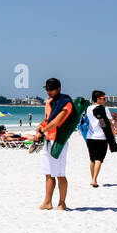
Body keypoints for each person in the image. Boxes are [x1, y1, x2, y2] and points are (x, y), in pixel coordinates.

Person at [35, 78, 73, 210]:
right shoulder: (49, 103)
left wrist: (44, 129)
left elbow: (58, 120)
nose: (49, 92)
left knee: (60, 174)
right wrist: (40, 128)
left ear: (59, 89)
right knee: (48, 173)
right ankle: (47, 202)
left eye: (51, 89)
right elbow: (47, 119)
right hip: (48, 140)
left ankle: (62, 203)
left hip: (59, 141)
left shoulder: (66, 102)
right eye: (47, 89)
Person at [84, 90, 117, 188]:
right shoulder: (104, 109)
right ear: (98, 99)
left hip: (90, 137)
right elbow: (109, 124)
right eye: (104, 98)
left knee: (92, 159)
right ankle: (94, 180)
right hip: (101, 137)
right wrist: (113, 138)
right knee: (99, 158)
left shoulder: (88, 108)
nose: (105, 100)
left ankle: (93, 179)